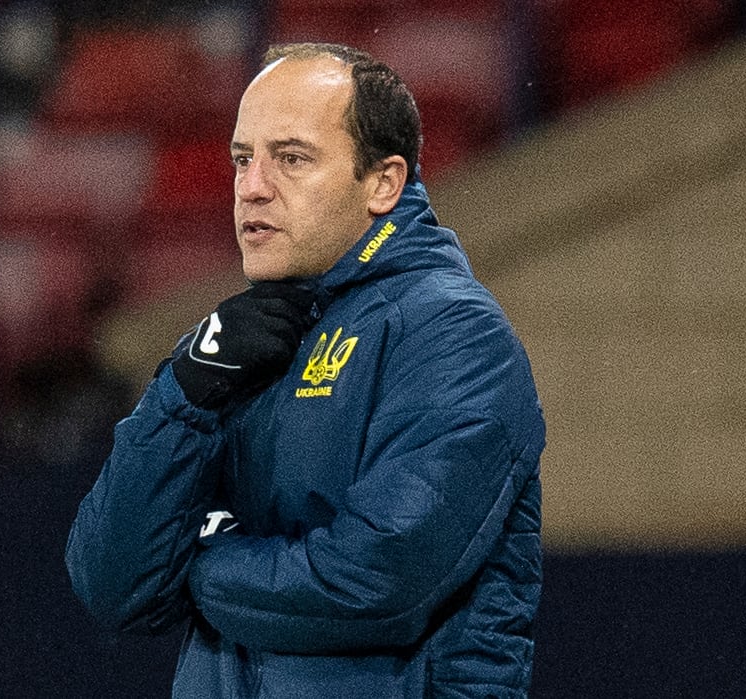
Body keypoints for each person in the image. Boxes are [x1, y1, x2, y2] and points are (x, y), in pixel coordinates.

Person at [66, 42, 544, 698]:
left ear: (383, 182)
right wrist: (185, 393)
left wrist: (200, 561)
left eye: (291, 158)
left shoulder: (454, 334)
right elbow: (113, 584)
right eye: (242, 158)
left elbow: (375, 585)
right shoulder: (232, 345)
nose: (252, 186)